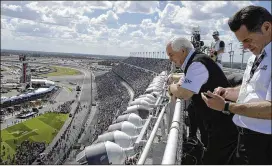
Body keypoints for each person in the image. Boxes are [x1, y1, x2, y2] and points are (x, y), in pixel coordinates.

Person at [201, 5, 271, 165]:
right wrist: (228, 92)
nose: (245, 47)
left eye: (248, 40)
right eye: (242, 42)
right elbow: (252, 90)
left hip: (264, 142)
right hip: (245, 135)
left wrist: (226, 106)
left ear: (267, 27)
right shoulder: (256, 56)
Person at [166, 37, 238, 164]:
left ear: (182, 51)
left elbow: (184, 93)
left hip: (221, 125)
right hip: (216, 122)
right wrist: (176, 84)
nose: (170, 59)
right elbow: (184, 84)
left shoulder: (197, 64)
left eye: (171, 54)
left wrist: (171, 88)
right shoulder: (195, 62)